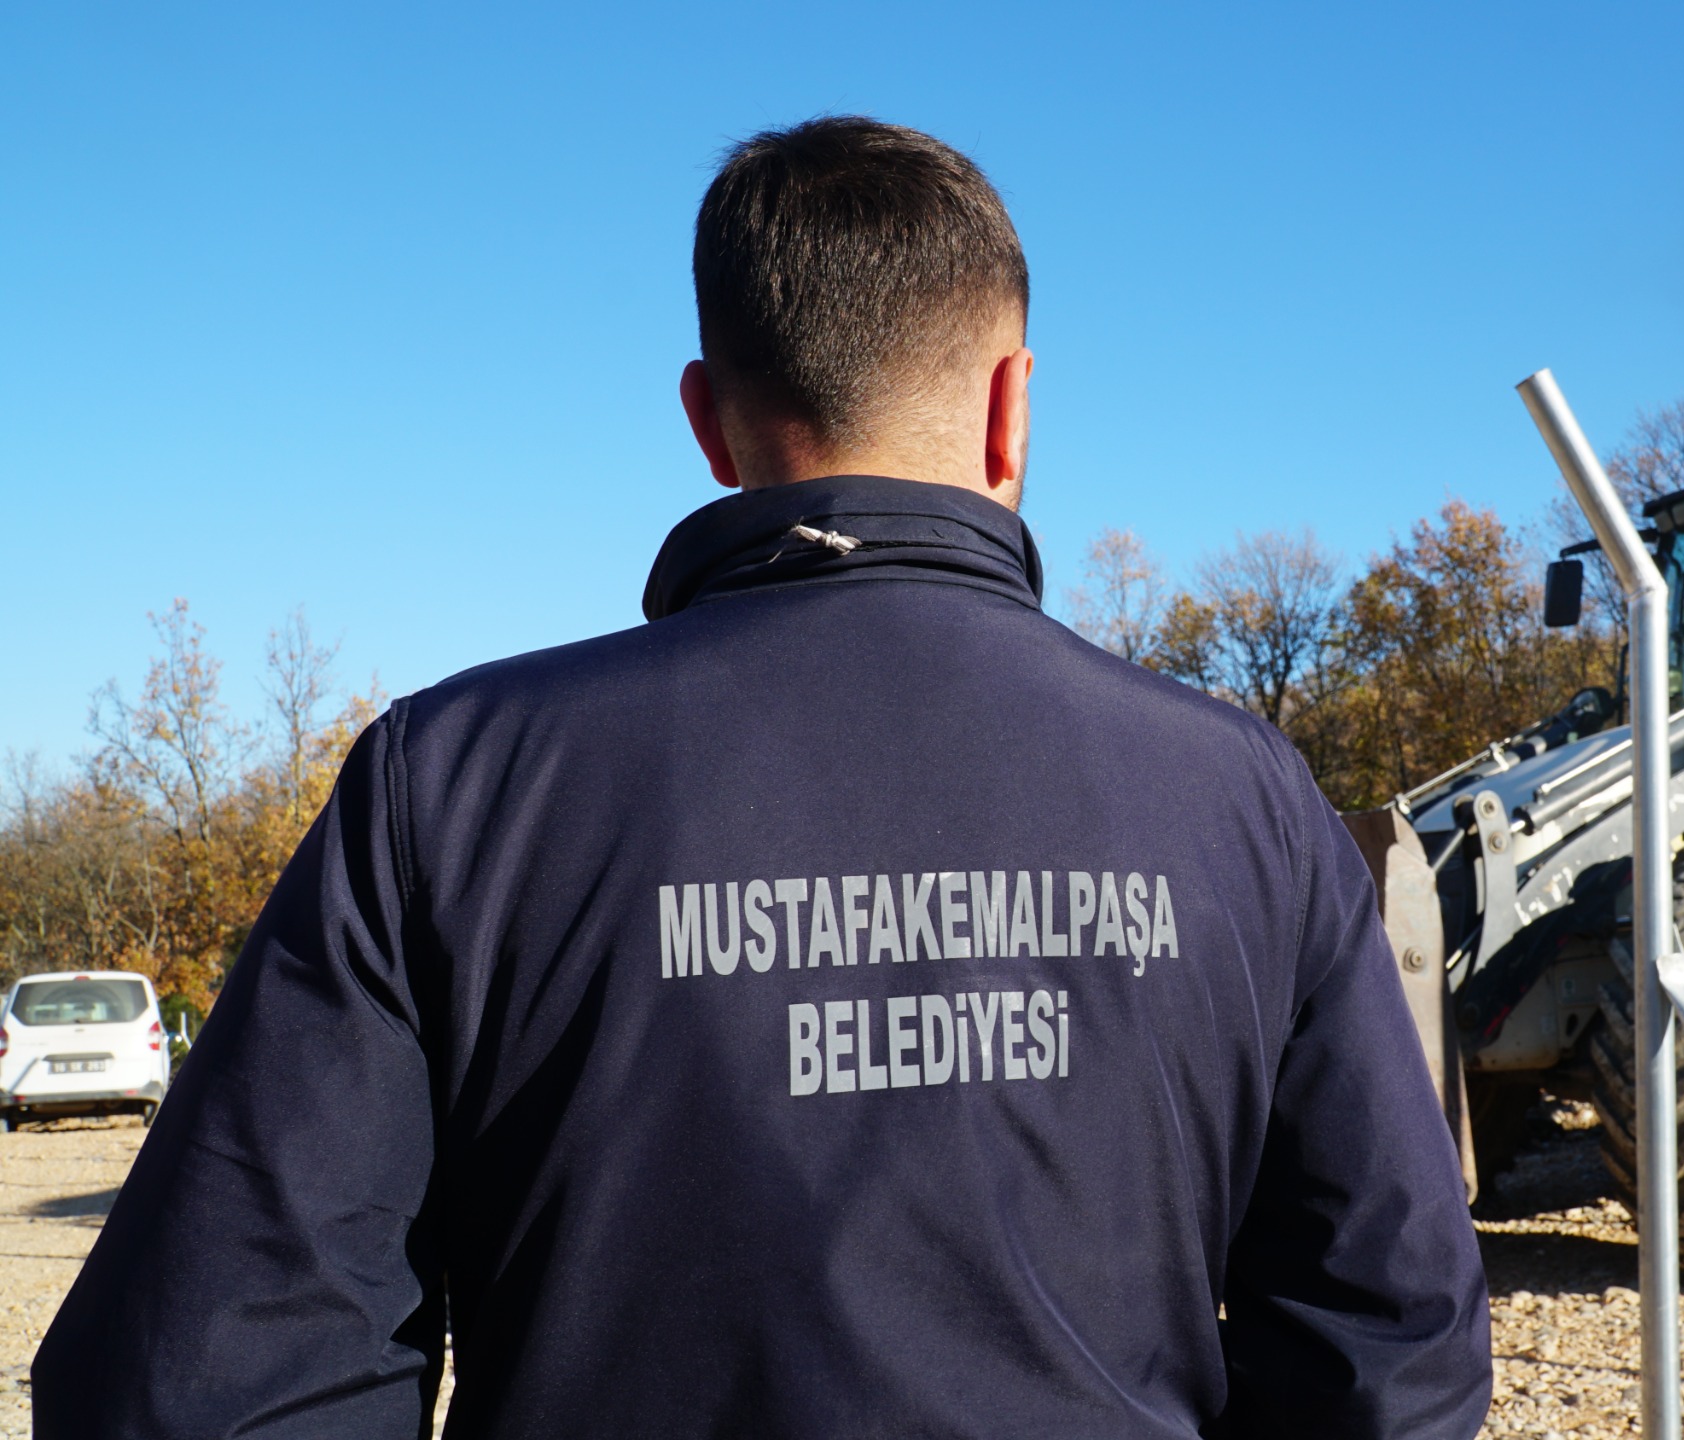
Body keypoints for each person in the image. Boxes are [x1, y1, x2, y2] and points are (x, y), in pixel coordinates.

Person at [34, 116, 1491, 1439]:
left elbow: (204, 1374)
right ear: (1012, 408)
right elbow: (1394, 1340)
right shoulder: (1244, 799)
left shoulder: (454, 787)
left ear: (710, 420)